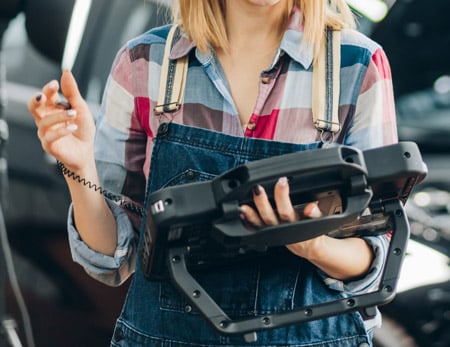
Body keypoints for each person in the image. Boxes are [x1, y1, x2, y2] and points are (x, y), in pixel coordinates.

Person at [28, 0, 397, 346]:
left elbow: (377, 260)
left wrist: (312, 244)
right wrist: (79, 167)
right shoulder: (145, 63)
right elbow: (113, 256)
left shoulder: (357, 67)